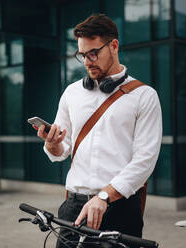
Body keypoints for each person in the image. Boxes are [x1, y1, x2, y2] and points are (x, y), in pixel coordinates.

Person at [36, 13, 162, 247]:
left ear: (114, 46)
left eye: (93, 53)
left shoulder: (144, 96)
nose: (87, 61)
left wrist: (104, 196)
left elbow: (145, 160)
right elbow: (63, 150)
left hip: (120, 209)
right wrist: (53, 145)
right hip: (72, 209)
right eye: (82, 55)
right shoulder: (71, 93)